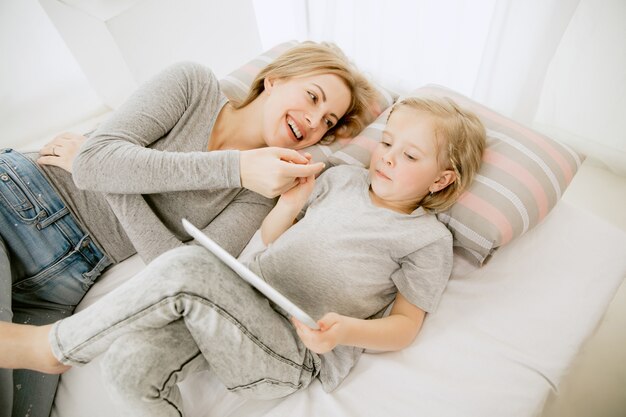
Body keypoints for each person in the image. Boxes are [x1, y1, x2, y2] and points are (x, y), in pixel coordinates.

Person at [0, 96, 486, 417]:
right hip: (237, 304)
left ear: (441, 179)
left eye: (410, 156)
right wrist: (291, 205)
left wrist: (348, 330)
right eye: (386, 143)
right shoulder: (342, 180)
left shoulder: (426, 239)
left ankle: (52, 348)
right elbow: (274, 237)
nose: (387, 158)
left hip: (291, 349)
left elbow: (406, 326)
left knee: (187, 265)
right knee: (126, 365)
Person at [0, 41, 378, 417]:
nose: (314, 121)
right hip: (22, 203)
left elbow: (180, 268)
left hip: (64, 285)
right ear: (274, 80)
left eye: (328, 121)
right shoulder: (192, 85)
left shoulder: (261, 194)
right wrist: (236, 167)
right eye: (313, 97)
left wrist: (101, 174)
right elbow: (99, 157)